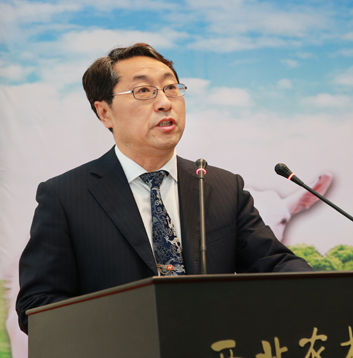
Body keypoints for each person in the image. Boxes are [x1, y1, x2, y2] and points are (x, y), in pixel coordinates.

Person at [16, 43, 313, 334]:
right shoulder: (66, 196)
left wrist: (322, 290)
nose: (165, 102)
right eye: (143, 91)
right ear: (105, 112)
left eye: (171, 88)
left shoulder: (221, 187)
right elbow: (38, 305)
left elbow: (275, 265)